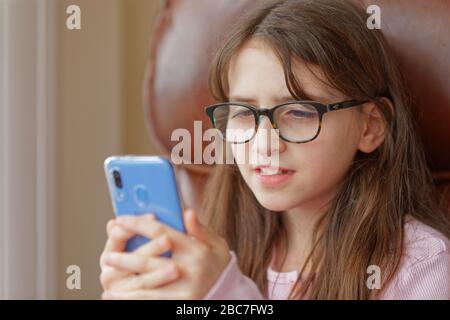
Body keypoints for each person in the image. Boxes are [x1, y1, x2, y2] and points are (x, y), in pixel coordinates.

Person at [99, 0, 450, 299]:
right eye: (243, 113)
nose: (263, 142)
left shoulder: (420, 267)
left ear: (370, 126)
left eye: (298, 112)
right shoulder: (214, 243)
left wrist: (225, 292)